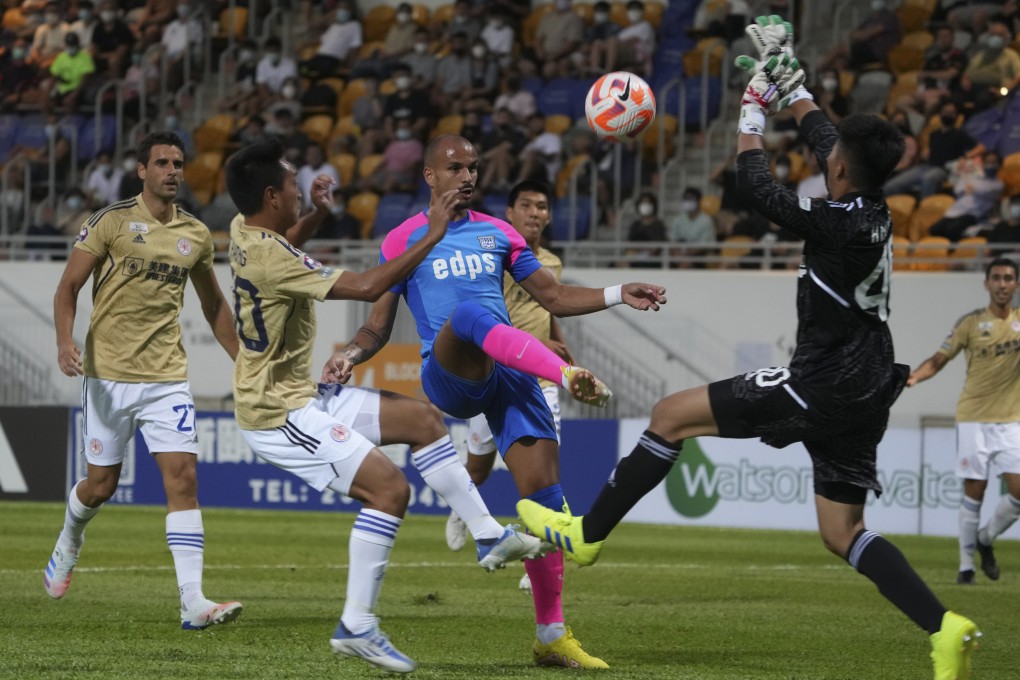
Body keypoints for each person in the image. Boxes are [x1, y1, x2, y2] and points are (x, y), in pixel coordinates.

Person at [516, 22, 982, 680]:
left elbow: (757, 188)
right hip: (869, 385)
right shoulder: (870, 207)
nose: (827, 154)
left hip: (821, 384)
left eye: (833, 155)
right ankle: (945, 626)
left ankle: (587, 536)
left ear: (842, 169)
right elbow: (825, 136)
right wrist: (787, 74)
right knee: (842, 532)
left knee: (671, 415)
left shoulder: (834, 220)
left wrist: (749, 112)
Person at [324, 133, 666, 669]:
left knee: (546, 501)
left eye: (474, 168)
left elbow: (553, 297)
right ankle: (565, 373)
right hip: (448, 373)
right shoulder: (404, 239)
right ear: (430, 177)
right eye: (455, 168)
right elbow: (377, 325)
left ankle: (551, 635)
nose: (467, 177)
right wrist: (350, 352)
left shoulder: (498, 234)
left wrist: (618, 292)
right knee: (468, 316)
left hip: (507, 373)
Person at [224, 139, 546, 673]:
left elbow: (284, 243)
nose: (298, 189)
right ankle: (357, 624)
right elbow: (371, 284)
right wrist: (434, 236)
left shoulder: (244, 231)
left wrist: (319, 215)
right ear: (270, 196)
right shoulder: (271, 256)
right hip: (277, 413)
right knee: (389, 490)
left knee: (422, 419)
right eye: (291, 185)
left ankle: (488, 536)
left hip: (299, 393)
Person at [45, 131, 243, 631]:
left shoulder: (195, 234)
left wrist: (244, 360)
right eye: (162, 163)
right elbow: (68, 286)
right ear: (142, 170)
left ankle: (192, 601)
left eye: (179, 162)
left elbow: (214, 304)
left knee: (182, 480)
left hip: (166, 377)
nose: (173, 170)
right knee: (100, 486)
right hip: (108, 376)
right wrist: (66, 342)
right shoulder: (110, 221)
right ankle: (70, 537)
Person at [443, 180, 575, 595]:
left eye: (542, 206)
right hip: (496, 376)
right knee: (478, 468)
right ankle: (464, 508)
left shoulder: (551, 262)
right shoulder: (491, 255)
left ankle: (541, 555)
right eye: (527, 205)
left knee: (543, 477)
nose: (535, 212)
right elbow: (485, 320)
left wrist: (558, 341)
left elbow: (548, 305)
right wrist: (535, 344)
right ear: (510, 214)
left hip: (539, 383)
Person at [906, 257, 1020, 585]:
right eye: (996, 278)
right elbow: (940, 358)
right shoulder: (970, 323)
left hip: (1011, 420)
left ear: (1015, 285)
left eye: (1008, 278)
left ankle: (986, 538)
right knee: (976, 490)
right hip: (974, 418)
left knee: (1018, 492)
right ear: (986, 284)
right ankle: (966, 566)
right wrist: (914, 378)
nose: (1001, 284)